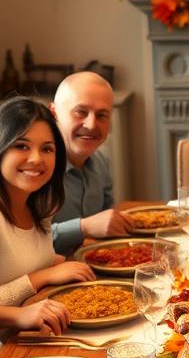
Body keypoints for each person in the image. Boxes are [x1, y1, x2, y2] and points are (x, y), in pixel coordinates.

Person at [0, 97, 94, 333]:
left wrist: (68, 265)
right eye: (21, 146)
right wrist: (41, 277)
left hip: (38, 332)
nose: (36, 158)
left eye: (47, 149)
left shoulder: (37, 201)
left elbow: (26, 259)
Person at [49, 71, 129, 253]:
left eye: (102, 115)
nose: (92, 125)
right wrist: (83, 227)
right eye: (80, 112)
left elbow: (106, 228)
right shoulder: (36, 169)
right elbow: (24, 243)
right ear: (54, 113)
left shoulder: (102, 161)